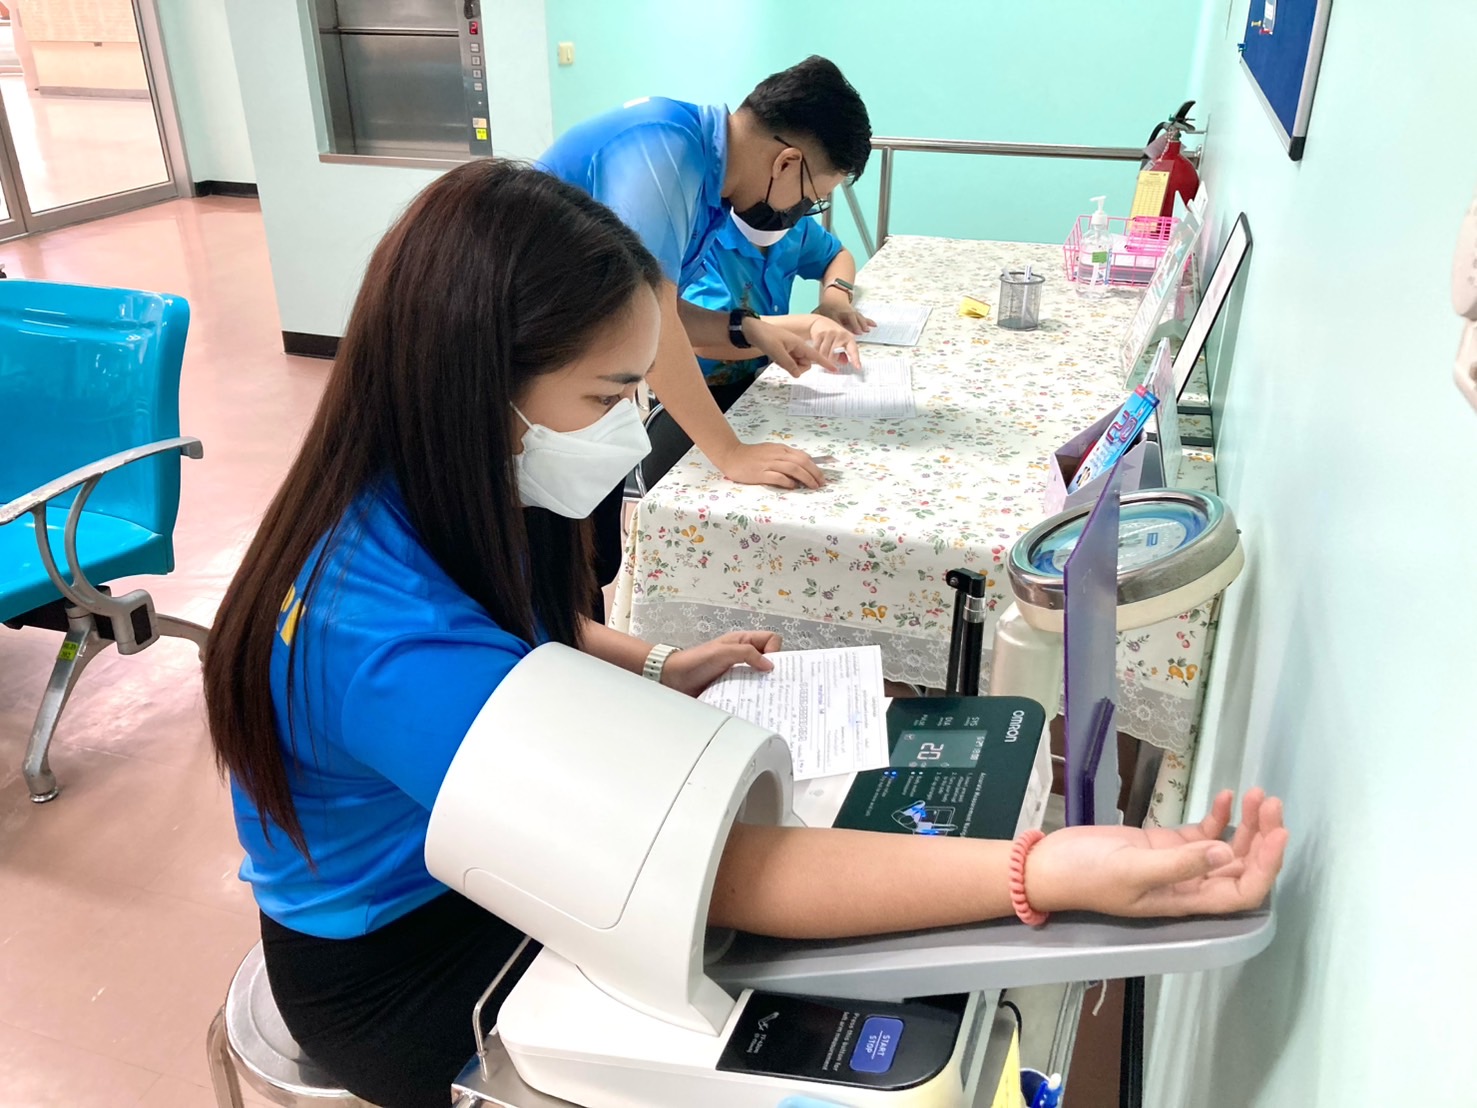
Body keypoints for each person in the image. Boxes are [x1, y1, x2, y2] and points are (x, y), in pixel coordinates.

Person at [204, 161, 1289, 1108]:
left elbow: (524, 631)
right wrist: (1046, 871)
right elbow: (710, 872)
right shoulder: (381, 640)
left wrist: (657, 659)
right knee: (740, 982)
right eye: (610, 392)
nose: (634, 425)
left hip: (469, 858)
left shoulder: (439, 485)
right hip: (407, 959)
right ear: (480, 387)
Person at [539, 55, 872, 606]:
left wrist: (748, 330)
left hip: (573, 369)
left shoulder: (707, 185)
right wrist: (730, 452)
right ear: (787, 161)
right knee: (538, 572)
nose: (801, 213)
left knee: (586, 564)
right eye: (811, 198)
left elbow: (659, 312)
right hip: (522, 367)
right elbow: (646, 323)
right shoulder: (664, 149)